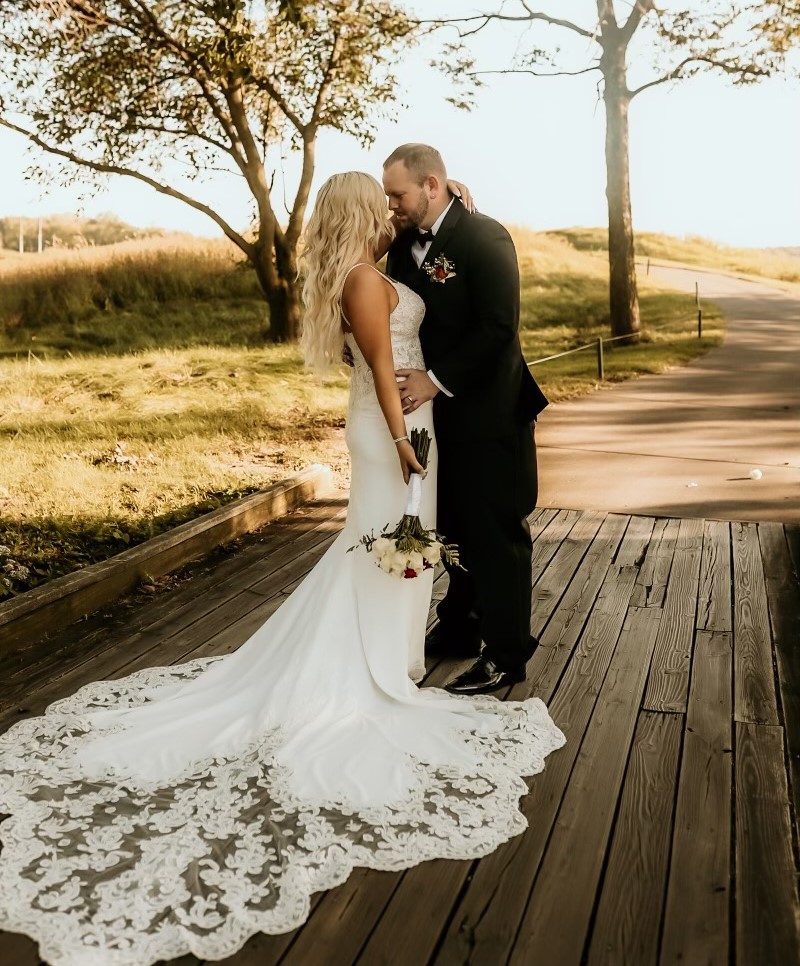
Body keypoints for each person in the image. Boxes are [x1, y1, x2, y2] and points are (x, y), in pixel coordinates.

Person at [0, 172, 564, 966]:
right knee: (383, 545)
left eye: (401, 198)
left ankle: (395, 657)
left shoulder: (384, 256)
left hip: (412, 424)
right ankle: (376, 669)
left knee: (390, 547)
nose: (393, 211)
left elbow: (434, 268)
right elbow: (377, 365)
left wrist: (456, 204)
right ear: (366, 213)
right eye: (385, 201)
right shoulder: (366, 279)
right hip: (395, 430)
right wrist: (404, 439)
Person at [382, 143, 548, 696]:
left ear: (432, 185)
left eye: (399, 194)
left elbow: (499, 327)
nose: (392, 205)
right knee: (451, 526)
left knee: (496, 534)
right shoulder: (404, 243)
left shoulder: (485, 237)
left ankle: (506, 656)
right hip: (437, 420)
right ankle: (461, 627)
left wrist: (436, 379)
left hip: (490, 412)